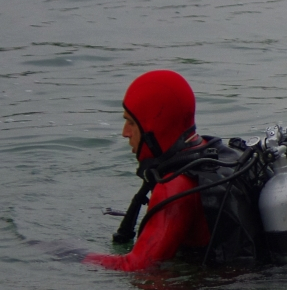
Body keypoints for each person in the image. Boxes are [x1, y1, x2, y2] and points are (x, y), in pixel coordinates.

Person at [84, 70, 213, 271]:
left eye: (132, 123)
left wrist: (75, 254)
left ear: (154, 127)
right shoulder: (208, 155)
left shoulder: (174, 186)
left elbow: (138, 266)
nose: (125, 133)